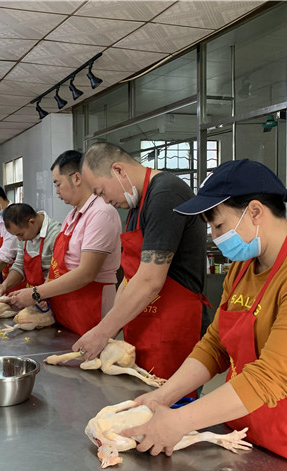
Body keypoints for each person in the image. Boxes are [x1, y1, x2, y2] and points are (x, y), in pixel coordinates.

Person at [121, 159, 287, 471]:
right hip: (249, 439)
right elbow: (215, 345)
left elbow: (270, 378)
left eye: (218, 225)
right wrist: (163, 396)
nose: (215, 237)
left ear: (256, 212)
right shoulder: (243, 268)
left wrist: (179, 422)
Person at [75, 142, 209, 383]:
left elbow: (149, 280)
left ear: (118, 170)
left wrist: (102, 332)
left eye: (101, 191)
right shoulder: (137, 204)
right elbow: (130, 278)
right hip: (146, 324)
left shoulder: (165, 194)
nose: (105, 201)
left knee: (169, 407)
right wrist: (111, 330)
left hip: (173, 327)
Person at [8, 151, 121, 335]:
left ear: (77, 178)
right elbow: (61, 265)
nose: (57, 191)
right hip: (68, 305)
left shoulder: (101, 213)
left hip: (91, 303)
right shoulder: (72, 215)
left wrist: (37, 292)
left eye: (57, 184)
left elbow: (86, 273)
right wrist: (45, 294)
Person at [0, 203, 61, 299]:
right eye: (16, 236)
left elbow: (57, 274)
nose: (19, 239)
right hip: (35, 296)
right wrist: (4, 285)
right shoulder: (25, 237)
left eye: (21, 234)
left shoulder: (56, 234)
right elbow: (19, 265)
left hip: (53, 295)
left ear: (31, 222)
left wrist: (36, 295)